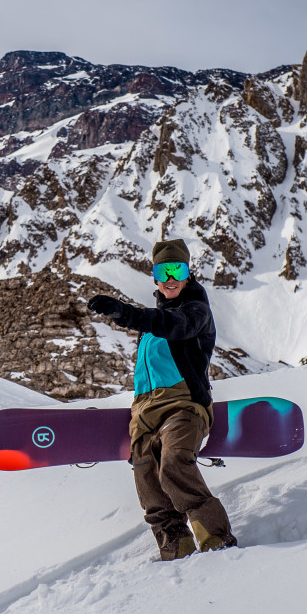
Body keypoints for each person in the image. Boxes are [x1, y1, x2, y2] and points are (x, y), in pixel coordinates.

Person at [87, 238, 238, 560]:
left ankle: (217, 540)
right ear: (154, 277)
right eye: (162, 272)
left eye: (177, 270)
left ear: (188, 274)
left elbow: (175, 325)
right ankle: (176, 551)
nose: (170, 279)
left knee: (173, 463)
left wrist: (125, 313)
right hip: (144, 414)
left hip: (185, 407)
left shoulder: (196, 312)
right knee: (148, 484)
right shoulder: (152, 323)